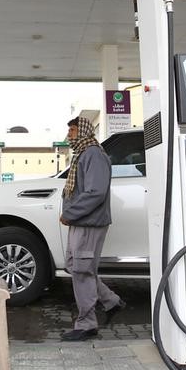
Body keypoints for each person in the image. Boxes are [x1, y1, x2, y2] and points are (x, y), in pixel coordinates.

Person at [59, 116, 125, 341]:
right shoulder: (83, 154)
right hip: (81, 222)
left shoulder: (93, 155)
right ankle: (111, 301)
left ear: (84, 131)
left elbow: (95, 192)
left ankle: (87, 324)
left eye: (73, 130)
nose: (69, 135)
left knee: (82, 271)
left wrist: (69, 213)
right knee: (74, 265)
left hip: (88, 223)